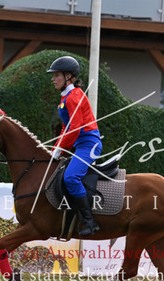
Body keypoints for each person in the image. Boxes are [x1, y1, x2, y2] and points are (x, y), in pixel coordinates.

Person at [47, 55, 102, 236]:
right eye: (53, 75)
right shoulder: (66, 97)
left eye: (56, 75)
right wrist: (55, 149)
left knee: (70, 178)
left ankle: (89, 221)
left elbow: (75, 128)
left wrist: (60, 150)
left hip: (89, 145)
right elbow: (66, 127)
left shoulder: (73, 97)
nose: (53, 79)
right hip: (80, 145)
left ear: (68, 76)